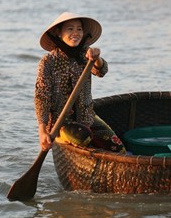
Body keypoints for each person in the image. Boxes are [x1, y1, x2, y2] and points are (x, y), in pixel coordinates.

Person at [35, 12, 125, 154]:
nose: (75, 33)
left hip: (87, 117)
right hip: (60, 123)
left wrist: (96, 58)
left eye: (79, 29)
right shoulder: (48, 62)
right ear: (59, 33)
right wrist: (42, 131)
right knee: (83, 137)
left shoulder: (86, 55)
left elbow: (101, 71)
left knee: (119, 149)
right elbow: (42, 97)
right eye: (70, 29)